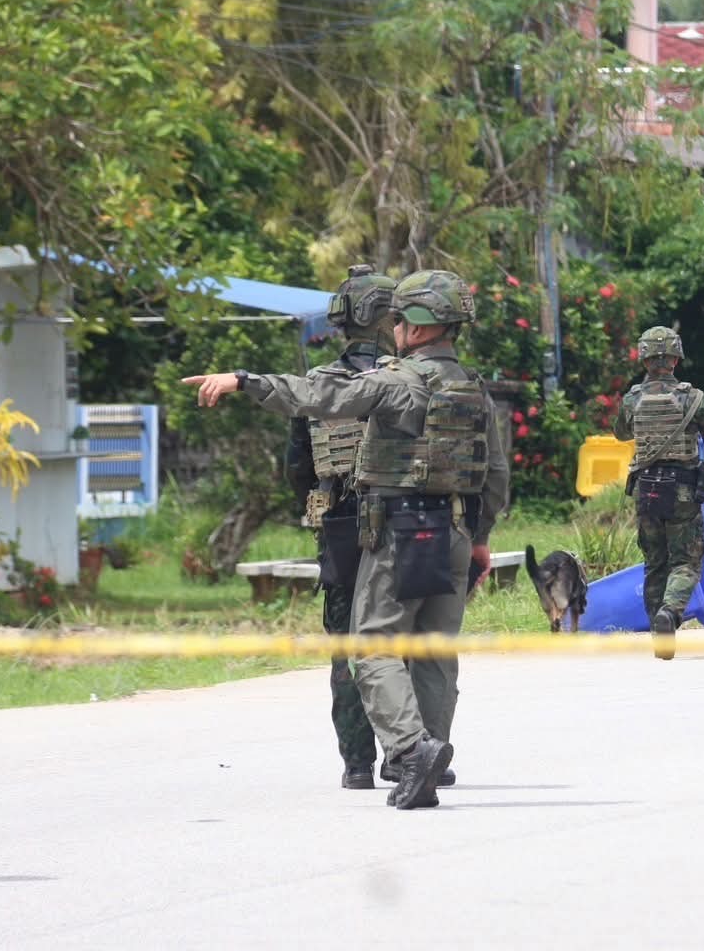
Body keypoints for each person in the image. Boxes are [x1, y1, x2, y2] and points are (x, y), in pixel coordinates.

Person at [185, 270, 509, 810]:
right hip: (453, 531)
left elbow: (323, 393)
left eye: (401, 319)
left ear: (422, 327)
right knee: (433, 651)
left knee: (372, 645)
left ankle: (410, 750)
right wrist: (480, 536)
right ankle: (428, 753)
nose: (395, 328)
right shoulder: (472, 388)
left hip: (402, 530)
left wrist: (245, 380)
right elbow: (495, 472)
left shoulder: (400, 382)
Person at [283, 265, 395, 792]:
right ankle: (404, 754)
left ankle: (356, 765)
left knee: (347, 643)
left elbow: (297, 470)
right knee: (403, 641)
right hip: (402, 524)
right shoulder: (408, 379)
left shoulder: (317, 385)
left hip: (340, 526)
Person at [613, 325, 704, 660]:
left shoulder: (632, 399)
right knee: (686, 561)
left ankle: (661, 638)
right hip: (683, 491)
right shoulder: (693, 397)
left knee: (654, 563)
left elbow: (620, 433)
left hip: (646, 493)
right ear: (675, 359)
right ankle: (670, 613)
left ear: (644, 359)